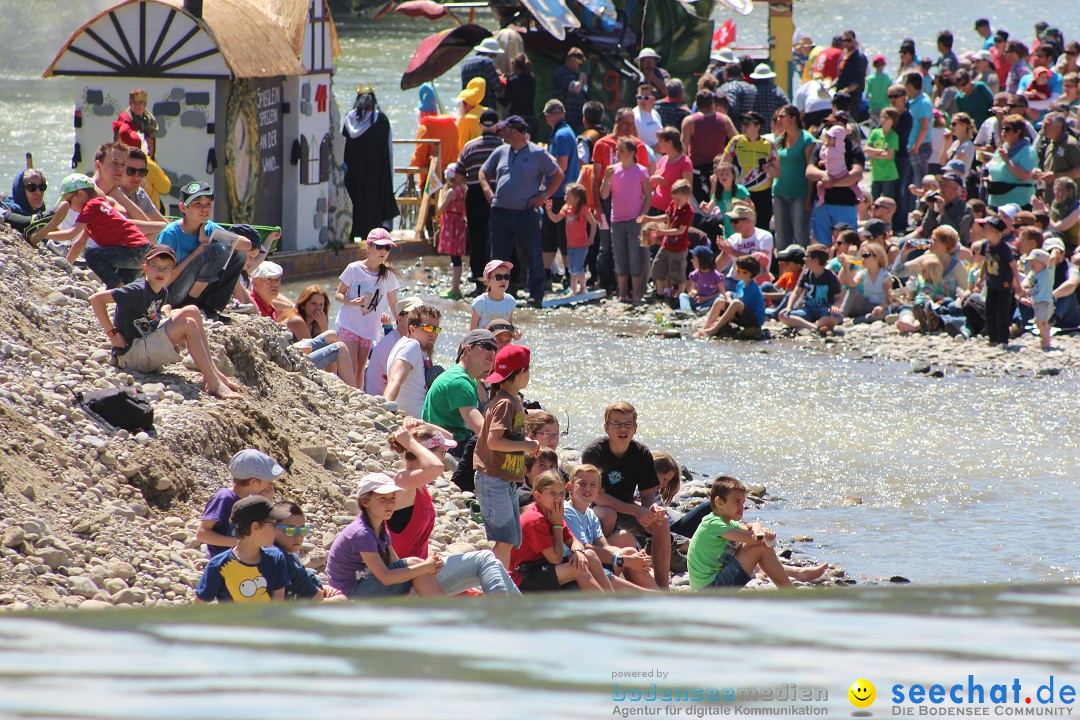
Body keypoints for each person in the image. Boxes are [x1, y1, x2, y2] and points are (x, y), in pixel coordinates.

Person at [86, 243, 241, 398]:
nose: (160, 272)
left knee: (192, 310)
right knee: (188, 325)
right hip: (131, 354)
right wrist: (112, 333)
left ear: (173, 272)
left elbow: (150, 310)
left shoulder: (162, 290)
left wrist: (165, 310)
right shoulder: (136, 290)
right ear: (145, 268)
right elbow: (96, 300)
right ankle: (214, 383)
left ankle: (213, 373)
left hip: (145, 342)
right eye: (155, 266)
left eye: (166, 268)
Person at [386, 424, 519, 596]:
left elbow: (449, 436)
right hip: (404, 581)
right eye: (441, 453)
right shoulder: (402, 483)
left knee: (492, 570)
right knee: (485, 559)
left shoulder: (417, 484)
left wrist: (420, 424)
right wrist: (411, 442)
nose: (444, 458)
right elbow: (436, 467)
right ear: (424, 452)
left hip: (423, 572)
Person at [581, 402, 671, 590]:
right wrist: (635, 510)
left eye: (627, 424)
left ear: (635, 428)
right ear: (606, 427)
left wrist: (652, 509)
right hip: (598, 509)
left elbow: (647, 494)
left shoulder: (642, 453)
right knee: (608, 514)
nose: (623, 429)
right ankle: (604, 563)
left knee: (661, 523)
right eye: (617, 424)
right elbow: (598, 497)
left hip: (628, 509)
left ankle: (663, 586)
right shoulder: (594, 452)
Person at [479, 115, 564, 308]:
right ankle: (498, 294)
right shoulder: (501, 151)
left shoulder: (537, 153)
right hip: (499, 212)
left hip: (525, 212)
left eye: (504, 130)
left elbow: (558, 174)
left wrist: (544, 195)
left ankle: (536, 294)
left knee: (533, 253)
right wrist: (487, 191)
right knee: (498, 256)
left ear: (515, 132)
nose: (501, 133)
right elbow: (483, 172)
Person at [325, 473, 444, 597]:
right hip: (348, 595)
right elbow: (385, 577)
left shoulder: (380, 528)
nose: (390, 504)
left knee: (416, 564)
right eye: (383, 498)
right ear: (365, 502)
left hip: (365, 585)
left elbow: (395, 562)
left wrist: (427, 566)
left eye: (393, 498)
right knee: (418, 566)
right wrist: (426, 566)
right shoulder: (362, 533)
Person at [473, 345, 537, 567]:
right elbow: (494, 441)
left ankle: (501, 583)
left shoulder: (512, 399)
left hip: (506, 479)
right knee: (504, 540)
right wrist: (526, 446)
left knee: (510, 539)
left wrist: (524, 444)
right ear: (520, 373)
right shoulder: (505, 403)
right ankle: (494, 586)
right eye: (528, 370)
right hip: (493, 479)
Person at [48, 174, 163, 289]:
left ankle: (118, 290)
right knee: (122, 289)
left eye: (69, 201)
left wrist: (45, 234)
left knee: (92, 255)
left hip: (134, 251)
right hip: (141, 251)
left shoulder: (91, 207)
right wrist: (66, 267)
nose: (69, 207)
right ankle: (124, 296)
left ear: (81, 194)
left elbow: (70, 234)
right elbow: (80, 243)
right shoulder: (97, 208)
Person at [155, 181, 250, 320]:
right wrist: (198, 252)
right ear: (183, 207)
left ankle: (210, 307)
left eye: (208, 204)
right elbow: (164, 281)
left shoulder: (209, 227)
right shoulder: (170, 234)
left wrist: (213, 238)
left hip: (197, 292)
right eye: (197, 204)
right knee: (219, 250)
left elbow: (247, 245)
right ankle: (192, 305)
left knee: (238, 253)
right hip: (172, 294)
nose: (204, 209)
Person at [688, 477, 800, 591]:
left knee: (761, 546)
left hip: (714, 584)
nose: (742, 507)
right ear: (719, 502)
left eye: (743, 502)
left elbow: (750, 530)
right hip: (708, 589)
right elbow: (754, 538)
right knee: (760, 547)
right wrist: (758, 528)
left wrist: (759, 528)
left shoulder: (727, 522)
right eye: (737, 502)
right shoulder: (713, 524)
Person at [509, 471, 611, 592]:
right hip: (522, 576)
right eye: (552, 493)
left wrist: (578, 551)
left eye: (562, 493)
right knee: (578, 568)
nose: (558, 498)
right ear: (538, 496)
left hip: (541, 566)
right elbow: (555, 559)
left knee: (590, 555)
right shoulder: (535, 520)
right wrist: (557, 525)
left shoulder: (552, 512)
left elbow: (573, 540)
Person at [564, 465, 656, 591]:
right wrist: (626, 561)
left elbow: (604, 546)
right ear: (569, 487)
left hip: (591, 562)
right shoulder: (567, 511)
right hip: (575, 567)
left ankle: (656, 594)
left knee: (630, 552)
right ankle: (654, 597)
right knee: (623, 560)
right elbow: (585, 549)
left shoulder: (590, 513)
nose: (588, 489)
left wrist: (636, 558)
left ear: (599, 492)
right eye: (582, 483)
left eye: (593, 485)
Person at [334, 227, 401, 389]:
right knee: (352, 367)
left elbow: (394, 303)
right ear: (368, 247)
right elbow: (338, 295)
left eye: (387, 248)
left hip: (369, 329)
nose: (383, 251)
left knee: (360, 370)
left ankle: (359, 400)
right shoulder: (354, 269)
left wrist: (401, 323)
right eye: (379, 247)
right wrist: (352, 302)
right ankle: (347, 398)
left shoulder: (388, 275)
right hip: (349, 324)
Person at [194, 496, 291, 604]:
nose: (277, 530)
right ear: (255, 526)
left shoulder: (276, 558)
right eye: (274, 524)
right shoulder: (218, 566)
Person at [195, 449, 284, 558]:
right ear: (253, 482)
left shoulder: (251, 502)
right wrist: (239, 543)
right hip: (226, 562)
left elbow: (266, 529)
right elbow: (202, 533)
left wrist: (268, 502)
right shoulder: (224, 498)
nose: (270, 486)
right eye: (268, 481)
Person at [422, 329, 497, 452]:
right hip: (446, 446)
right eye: (487, 346)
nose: (492, 353)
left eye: (495, 349)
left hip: (451, 440)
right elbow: (481, 428)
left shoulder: (468, 378)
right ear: (468, 349)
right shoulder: (459, 381)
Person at [457, 109, 504, 295]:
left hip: (475, 194)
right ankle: (499, 279)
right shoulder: (503, 146)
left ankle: (479, 281)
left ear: (480, 125)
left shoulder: (470, 146)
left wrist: (467, 187)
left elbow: (459, 174)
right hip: (498, 193)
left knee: (477, 239)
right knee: (498, 238)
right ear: (497, 125)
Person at [601, 138, 653, 304]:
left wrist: (643, 216)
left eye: (621, 150)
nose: (617, 153)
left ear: (631, 153)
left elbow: (648, 196)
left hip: (634, 219)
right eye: (617, 150)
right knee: (620, 256)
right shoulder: (612, 170)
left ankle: (637, 293)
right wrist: (606, 180)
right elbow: (603, 195)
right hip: (616, 219)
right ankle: (622, 293)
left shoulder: (641, 171)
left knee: (635, 256)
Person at [343, 89, 398, 241]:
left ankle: (352, 233)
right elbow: (387, 152)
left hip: (352, 176)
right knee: (372, 208)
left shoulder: (349, 119)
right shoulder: (380, 120)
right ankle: (373, 238)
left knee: (354, 204)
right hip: (375, 176)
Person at [279, 284, 356, 387]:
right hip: (290, 363)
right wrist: (324, 326)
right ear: (303, 304)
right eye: (313, 304)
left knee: (332, 337)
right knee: (337, 343)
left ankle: (334, 381)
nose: (318, 308)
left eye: (321, 304)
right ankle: (349, 386)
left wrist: (323, 326)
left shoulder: (313, 324)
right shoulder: (297, 321)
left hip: (299, 361)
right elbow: (310, 350)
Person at [807, 116, 865, 245]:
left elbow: (856, 174)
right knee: (822, 243)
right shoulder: (822, 148)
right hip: (823, 204)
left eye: (834, 125)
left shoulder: (853, 148)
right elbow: (810, 171)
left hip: (845, 204)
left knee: (846, 243)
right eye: (828, 126)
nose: (831, 129)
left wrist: (834, 183)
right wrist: (824, 176)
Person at [271, 501, 345, 602]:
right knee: (341, 601)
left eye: (302, 530)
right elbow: (315, 597)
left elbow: (305, 574)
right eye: (290, 530)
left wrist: (323, 587)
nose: (298, 536)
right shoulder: (277, 556)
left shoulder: (291, 554)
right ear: (273, 530)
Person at [541, 99, 580, 287]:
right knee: (551, 234)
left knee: (559, 236)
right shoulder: (566, 131)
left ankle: (564, 276)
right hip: (562, 192)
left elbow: (561, 165)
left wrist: (543, 154)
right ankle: (548, 274)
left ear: (550, 115)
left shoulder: (561, 135)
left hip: (559, 193)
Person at [721, 111, 776, 231]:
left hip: (763, 193)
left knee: (762, 229)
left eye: (747, 124)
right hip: (741, 192)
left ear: (758, 126)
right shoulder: (736, 141)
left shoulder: (769, 144)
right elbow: (723, 165)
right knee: (740, 228)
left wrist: (769, 170)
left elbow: (777, 172)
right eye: (742, 123)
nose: (743, 126)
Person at [385, 304, 442, 418]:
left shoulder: (423, 350)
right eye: (427, 328)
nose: (433, 333)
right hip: (414, 420)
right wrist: (384, 410)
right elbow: (395, 379)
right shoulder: (411, 345)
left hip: (423, 417)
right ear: (412, 329)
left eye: (436, 329)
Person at [682, 90, 738, 203]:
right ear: (712, 104)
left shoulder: (689, 121)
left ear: (696, 104)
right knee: (719, 202)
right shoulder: (724, 119)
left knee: (702, 205)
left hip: (697, 169)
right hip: (719, 167)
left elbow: (683, 147)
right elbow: (737, 140)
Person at [643, 179, 694, 299]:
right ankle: (660, 293)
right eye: (674, 198)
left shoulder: (688, 211)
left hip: (679, 247)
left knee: (678, 273)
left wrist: (662, 232)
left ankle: (680, 297)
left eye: (678, 199)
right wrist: (650, 219)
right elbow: (667, 217)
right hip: (667, 245)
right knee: (657, 268)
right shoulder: (673, 204)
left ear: (686, 196)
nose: (676, 202)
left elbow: (680, 230)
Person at [695, 254, 766, 338]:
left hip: (753, 321)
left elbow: (739, 305)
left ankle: (713, 329)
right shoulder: (741, 284)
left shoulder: (752, 288)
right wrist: (730, 295)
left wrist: (728, 297)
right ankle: (705, 328)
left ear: (748, 274)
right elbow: (736, 300)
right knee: (719, 301)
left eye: (738, 270)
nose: (736, 272)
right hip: (741, 315)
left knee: (735, 303)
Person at [779, 243, 842, 334]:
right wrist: (788, 307)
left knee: (835, 316)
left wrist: (835, 306)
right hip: (808, 309)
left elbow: (839, 297)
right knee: (783, 316)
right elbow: (796, 292)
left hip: (824, 309)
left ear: (815, 260)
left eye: (807, 256)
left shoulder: (830, 276)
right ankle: (814, 326)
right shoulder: (805, 273)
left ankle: (816, 324)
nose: (804, 259)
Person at [366, 296, 424, 395]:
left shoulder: (403, 340)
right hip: (380, 399)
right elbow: (398, 382)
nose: (418, 320)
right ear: (400, 319)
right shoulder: (394, 344)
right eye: (413, 315)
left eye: (421, 316)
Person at [545, 182, 594, 296]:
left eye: (568, 195)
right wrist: (549, 211)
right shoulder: (566, 208)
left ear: (577, 198)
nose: (565, 197)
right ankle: (573, 289)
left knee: (579, 266)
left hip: (581, 243)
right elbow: (556, 219)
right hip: (570, 244)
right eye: (565, 194)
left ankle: (582, 287)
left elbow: (593, 223)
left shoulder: (583, 209)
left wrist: (591, 237)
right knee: (571, 267)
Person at [977, 216, 1020, 344]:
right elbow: (985, 261)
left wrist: (1018, 285)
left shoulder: (1004, 248)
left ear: (994, 231)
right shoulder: (985, 245)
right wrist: (980, 277)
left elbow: (1013, 266)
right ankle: (992, 338)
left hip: (1004, 285)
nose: (983, 230)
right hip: (991, 283)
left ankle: (1003, 340)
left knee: (1001, 313)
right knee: (989, 311)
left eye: (987, 228)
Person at [986, 114, 1038, 210]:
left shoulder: (1027, 151)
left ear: (1018, 132)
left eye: (1007, 129)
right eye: (1002, 128)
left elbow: (1026, 176)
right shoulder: (1001, 150)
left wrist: (1007, 160)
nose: (1003, 132)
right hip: (995, 202)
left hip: (1017, 204)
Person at [838, 241, 892, 322]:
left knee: (883, 314)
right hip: (866, 304)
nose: (863, 259)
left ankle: (856, 320)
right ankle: (841, 315)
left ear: (876, 257)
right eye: (861, 256)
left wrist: (881, 307)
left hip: (880, 306)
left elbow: (889, 298)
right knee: (853, 290)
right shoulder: (863, 273)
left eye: (866, 255)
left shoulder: (885, 276)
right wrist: (846, 267)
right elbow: (852, 285)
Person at [436, 163, 468, 299]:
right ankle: (455, 287)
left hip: (451, 225)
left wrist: (440, 196)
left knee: (455, 258)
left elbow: (440, 209)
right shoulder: (463, 190)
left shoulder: (451, 192)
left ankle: (455, 289)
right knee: (457, 257)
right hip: (459, 224)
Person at [1035, 113, 1080, 205]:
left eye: (1046, 125)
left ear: (1058, 127)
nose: (1043, 128)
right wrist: (1040, 174)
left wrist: (1055, 176)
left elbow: (1078, 171)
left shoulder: (1070, 144)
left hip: (1067, 204)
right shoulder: (1050, 145)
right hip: (1050, 200)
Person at [818, 124, 863, 207]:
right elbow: (832, 160)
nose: (828, 140)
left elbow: (822, 155)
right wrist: (825, 162)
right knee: (852, 185)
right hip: (841, 171)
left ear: (836, 139)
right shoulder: (841, 149)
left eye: (830, 138)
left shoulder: (831, 150)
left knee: (820, 185)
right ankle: (861, 196)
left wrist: (824, 146)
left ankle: (821, 199)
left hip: (835, 173)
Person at [1020, 247, 1054, 350]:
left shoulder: (1048, 272)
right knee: (1043, 323)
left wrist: (1054, 250)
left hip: (1045, 301)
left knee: (1039, 321)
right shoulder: (1033, 273)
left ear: (1043, 264)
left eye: (1033, 263)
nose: (1031, 266)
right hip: (1037, 301)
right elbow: (1026, 282)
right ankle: (1045, 339)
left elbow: (1052, 259)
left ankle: (1046, 341)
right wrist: (1025, 289)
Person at [905, 73, 934, 191]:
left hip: (920, 146)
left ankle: (922, 206)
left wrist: (916, 146)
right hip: (914, 146)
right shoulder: (913, 102)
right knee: (911, 182)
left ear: (910, 87)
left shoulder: (923, 102)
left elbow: (924, 126)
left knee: (920, 182)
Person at [866, 107, 900, 204]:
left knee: (887, 203)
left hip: (888, 175)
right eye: (882, 117)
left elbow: (889, 156)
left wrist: (874, 153)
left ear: (893, 120)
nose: (883, 120)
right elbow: (866, 149)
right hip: (876, 175)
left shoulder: (893, 135)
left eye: (887, 118)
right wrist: (881, 151)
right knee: (874, 202)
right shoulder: (875, 133)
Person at [471, 259, 517, 329]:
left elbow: (509, 328)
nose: (503, 280)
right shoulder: (480, 302)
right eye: (498, 277)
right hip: (484, 339)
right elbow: (472, 332)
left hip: (502, 340)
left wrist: (516, 333)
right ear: (488, 281)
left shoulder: (510, 301)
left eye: (506, 277)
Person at [678, 245, 724, 314]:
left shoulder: (715, 274)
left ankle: (704, 310)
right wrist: (693, 293)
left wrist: (706, 298)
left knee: (720, 297)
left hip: (710, 300)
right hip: (698, 301)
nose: (691, 260)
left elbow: (722, 292)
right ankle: (687, 311)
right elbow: (692, 289)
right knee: (683, 296)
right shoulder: (694, 274)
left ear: (702, 260)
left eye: (694, 258)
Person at [113, 88, 158, 157]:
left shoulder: (150, 122)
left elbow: (151, 146)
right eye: (134, 102)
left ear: (145, 105)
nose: (137, 106)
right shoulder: (124, 120)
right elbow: (117, 145)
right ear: (130, 103)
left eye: (140, 103)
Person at [552, 47, 588, 134]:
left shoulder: (576, 75)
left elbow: (585, 91)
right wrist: (581, 79)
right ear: (572, 60)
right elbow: (575, 89)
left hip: (577, 121)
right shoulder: (562, 73)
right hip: (563, 119)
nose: (580, 66)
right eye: (579, 62)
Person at [461, 37, 503, 110]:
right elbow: (497, 87)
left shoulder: (466, 62)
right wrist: (500, 77)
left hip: (467, 106)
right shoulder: (487, 62)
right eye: (494, 55)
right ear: (490, 53)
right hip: (485, 107)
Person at [836, 31, 869, 122]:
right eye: (844, 40)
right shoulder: (843, 56)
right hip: (840, 98)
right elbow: (840, 77)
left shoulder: (859, 57)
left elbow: (858, 81)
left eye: (848, 40)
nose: (846, 43)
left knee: (851, 125)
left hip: (852, 100)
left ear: (854, 41)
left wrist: (844, 91)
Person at [747, 63, 789, 132]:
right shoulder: (777, 91)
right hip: (774, 131)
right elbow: (788, 109)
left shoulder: (751, 91)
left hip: (755, 131)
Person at [503, 53, 536, 136]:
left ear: (515, 66)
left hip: (515, 118)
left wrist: (497, 93)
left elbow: (505, 102)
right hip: (530, 116)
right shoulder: (532, 79)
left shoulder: (512, 81)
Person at [940, 112, 976, 179]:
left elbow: (954, 166)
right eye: (950, 124)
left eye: (954, 124)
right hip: (949, 180)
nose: (951, 127)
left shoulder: (967, 145)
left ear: (964, 125)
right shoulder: (955, 143)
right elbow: (942, 162)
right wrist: (946, 143)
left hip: (958, 183)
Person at [456, 78, 488, 150]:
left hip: (472, 157)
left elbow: (461, 146)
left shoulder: (466, 119)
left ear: (467, 105)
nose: (459, 107)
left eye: (460, 104)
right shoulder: (487, 112)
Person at [632, 84, 663, 149]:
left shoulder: (656, 114)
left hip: (657, 158)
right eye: (639, 97)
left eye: (646, 98)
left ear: (653, 99)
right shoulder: (632, 115)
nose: (642, 100)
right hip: (641, 157)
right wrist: (653, 149)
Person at [866, 55, 893, 122]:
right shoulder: (888, 79)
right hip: (886, 109)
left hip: (874, 108)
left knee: (874, 130)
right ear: (884, 64)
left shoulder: (870, 79)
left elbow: (867, 96)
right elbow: (890, 95)